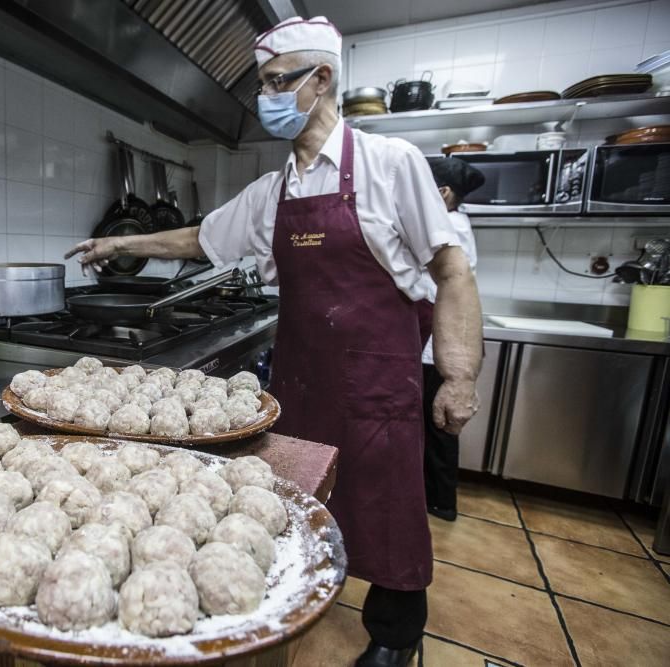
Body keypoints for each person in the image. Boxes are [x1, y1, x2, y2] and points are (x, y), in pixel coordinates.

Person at [66, 16, 483, 667]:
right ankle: (304, 594)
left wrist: (458, 374)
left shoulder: (390, 165)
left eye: (276, 82)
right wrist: (120, 243)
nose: (266, 100)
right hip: (300, 384)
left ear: (320, 80)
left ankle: (396, 634)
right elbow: (200, 238)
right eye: (262, 85)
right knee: (294, 501)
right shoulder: (273, 191)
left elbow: (452, 269)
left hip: (376, 385)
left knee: (388, 503)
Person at [420, 158, 483, 523]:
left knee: (438, 425)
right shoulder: (457, 223)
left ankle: (440, 502)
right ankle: (439, 499)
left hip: (437, 347)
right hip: (436, 341)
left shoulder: (450, 229)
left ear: (443, 193)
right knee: (438, 426)